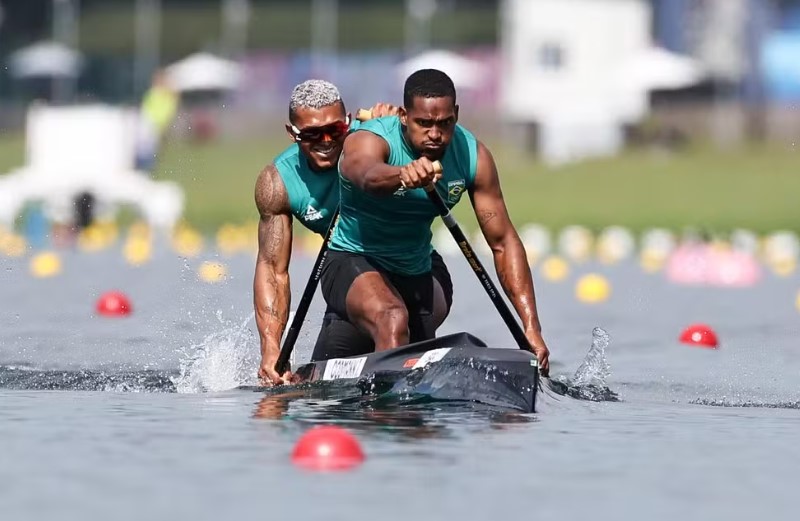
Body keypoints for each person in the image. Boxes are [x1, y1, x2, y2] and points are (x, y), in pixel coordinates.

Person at [324, 68, 550, 376]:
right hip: (353, 260)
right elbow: (365, 174)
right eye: (424, 123)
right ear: (404, 116)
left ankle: (402, 397)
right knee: (391, 318)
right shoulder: (372, 139)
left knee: (402, 326)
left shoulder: (474, 156)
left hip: (417, 269)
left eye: (445, 123)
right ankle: (389, 416)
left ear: (456, 113)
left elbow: (503, 242)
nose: (435, 134)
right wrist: (402, 174)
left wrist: (531, 327)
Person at [254, 79, 455, 385]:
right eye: (310, 134)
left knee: (394, 319)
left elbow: (417, 138)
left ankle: (394, 398)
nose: (325, 141)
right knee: (324, 376)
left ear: (347, 123)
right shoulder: (278, 183)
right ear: (291, 133)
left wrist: (388, 129)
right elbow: (272, 271)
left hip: (415, 268)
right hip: (353, 274)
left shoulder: (372, 142)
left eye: (334, 131)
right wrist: (271, 350)